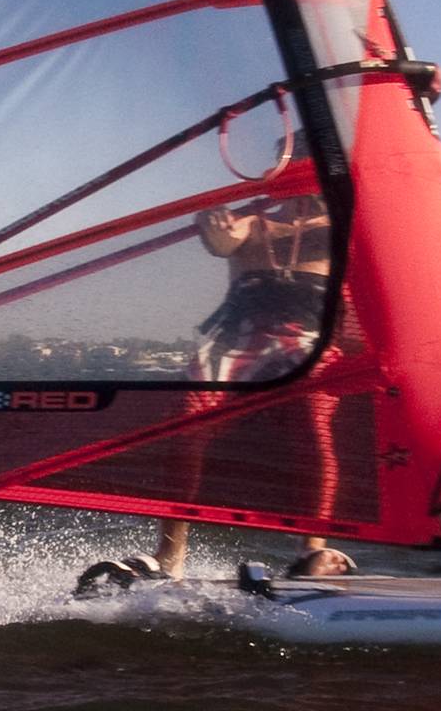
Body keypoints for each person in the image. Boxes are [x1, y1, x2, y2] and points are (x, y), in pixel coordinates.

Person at [151, 182, 355, 580]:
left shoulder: (340, 227)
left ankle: (313, 548)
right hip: (241, 336)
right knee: (185, 412)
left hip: (307, 339)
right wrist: (212, 227)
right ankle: (170, 553)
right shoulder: (253, 221)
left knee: (313, 413)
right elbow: (222, 243)